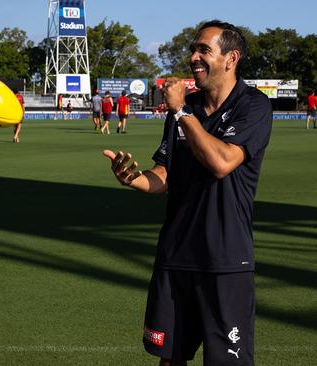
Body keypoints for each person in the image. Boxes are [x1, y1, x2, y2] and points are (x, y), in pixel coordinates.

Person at [103, 20, 272, 365]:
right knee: (169, 358)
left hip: (225, 260)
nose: (193, 57)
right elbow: (165, 174)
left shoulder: (252, 106)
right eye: (193, 50)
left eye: (203, 50)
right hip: (175, 256)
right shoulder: (185, 110)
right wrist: (134, 178)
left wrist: (179, 111)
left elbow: (222, 162)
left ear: (231, 58)